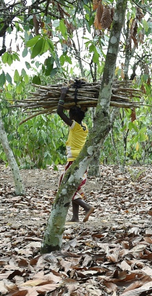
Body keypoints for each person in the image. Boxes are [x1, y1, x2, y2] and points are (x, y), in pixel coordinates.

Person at [57, 85, 94, 223]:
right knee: (75, 186)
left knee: (66, 186)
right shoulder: (84, 127)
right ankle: (75, 217)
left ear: (73, 116)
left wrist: (63, 94)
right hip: (82, 159)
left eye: (70, 114)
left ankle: (87, 207)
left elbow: (59, 112)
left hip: (74, 159)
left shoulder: (75, 125)